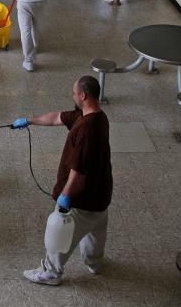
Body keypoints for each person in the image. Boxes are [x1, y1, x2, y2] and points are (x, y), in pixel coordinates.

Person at [11, 75, 112, 285]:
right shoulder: (96, 116)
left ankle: (51, 272)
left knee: (59, 232)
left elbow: (78, 169)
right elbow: (56, 117)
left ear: (83, 95)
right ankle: (94, 263)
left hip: (81, 198)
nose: (72, 96)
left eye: (74, 93)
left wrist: (65, 196)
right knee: (95, 231)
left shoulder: (86, 129)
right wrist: (29, 120)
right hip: (101, 195)